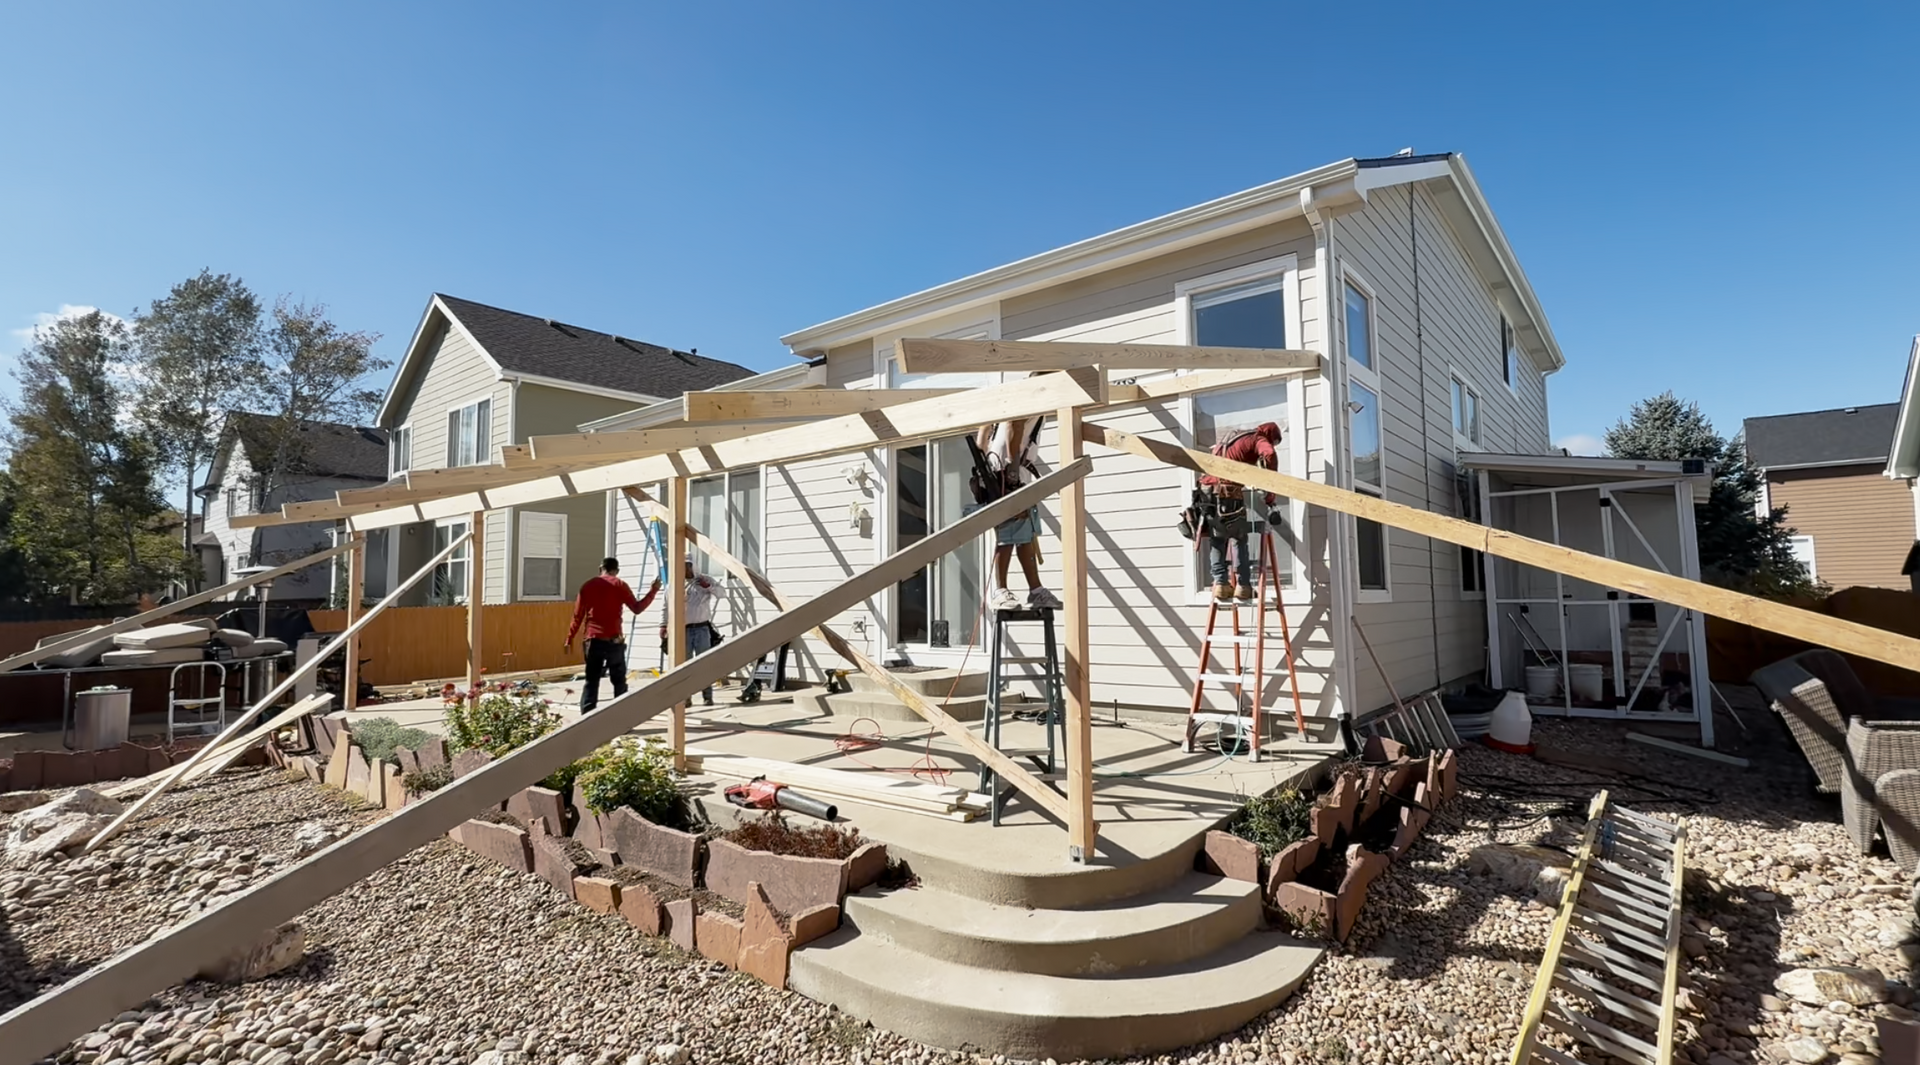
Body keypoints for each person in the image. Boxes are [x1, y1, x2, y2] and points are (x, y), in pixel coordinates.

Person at [974, 413, 1063, 612]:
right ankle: (1001, 591)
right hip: (1009, 473)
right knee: (1009, 533)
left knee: (1024, 534)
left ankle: (1035, 589)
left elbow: (983, 431)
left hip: (1001, 472)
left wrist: (983, 466)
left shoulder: (1005, 404)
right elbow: (1015, 424)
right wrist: (1012, 472)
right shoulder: (1032, 398)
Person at [1198, 421, 1282, 602]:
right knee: (1238, 538)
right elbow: (1269, 453)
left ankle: (1220, 584)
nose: (1273, 444)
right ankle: (1243, 586)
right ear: (1270, 436)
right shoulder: (1257, 439)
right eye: (1274, 441)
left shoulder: (1231, 438)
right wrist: (1270, 486)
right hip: (1229, 494)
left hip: (1207, 495)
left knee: (1218, 540)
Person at [563, 557, 660, 713]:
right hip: (614, 641)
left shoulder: (587, 586)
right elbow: (637, 608)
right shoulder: (619, 585)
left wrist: (569, 638)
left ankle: (587, 718)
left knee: (592, 681)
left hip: (593, 640)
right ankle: (620, 719)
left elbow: (577, 616)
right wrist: (653, 590)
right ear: (617, 571)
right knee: (619, 682)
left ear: (600, 568)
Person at [680, 559, 722, 705]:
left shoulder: (704, 580)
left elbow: (722, 593)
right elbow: (666, 604)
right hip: (684, 629)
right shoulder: (677, 582)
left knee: (704, 663)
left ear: (692, 566)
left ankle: (707, 696)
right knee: (684, 665)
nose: (685, 569)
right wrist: (663, 625)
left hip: (702, 628)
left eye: (687, 566)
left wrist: (708, 586)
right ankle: (685, 697)